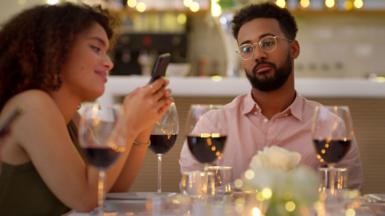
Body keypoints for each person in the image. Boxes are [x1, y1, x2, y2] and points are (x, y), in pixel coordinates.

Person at [0, 3, 172, 215]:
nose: (109, 63)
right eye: (96, 48)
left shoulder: (70, 117)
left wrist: (140, 126)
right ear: (55, 50)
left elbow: (110, 190)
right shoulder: (31, 106)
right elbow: (86, 198)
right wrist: (127, 122)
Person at [180, 3, 362, 189]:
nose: (258, 54)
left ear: (294, 49)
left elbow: (347, 198)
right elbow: (193, 195)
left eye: (267, 43)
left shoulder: (331, 129)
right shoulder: (212, 126)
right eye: (246, 48)